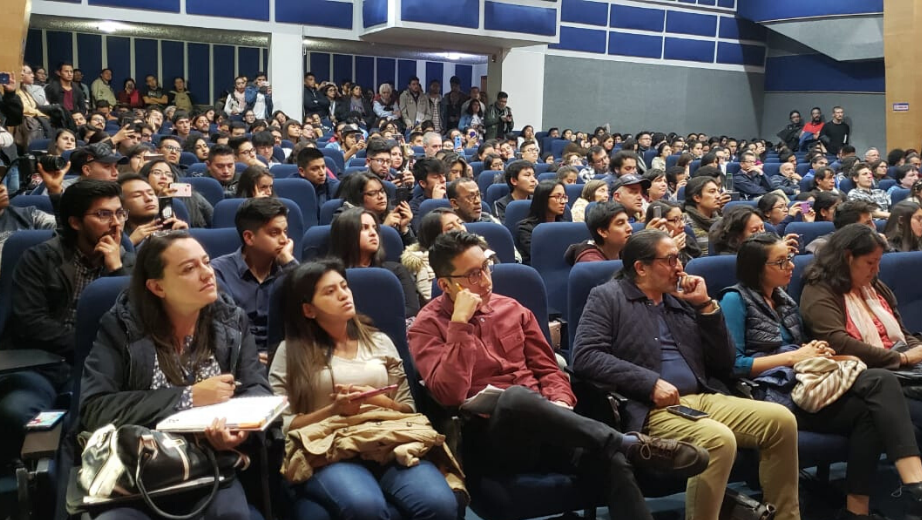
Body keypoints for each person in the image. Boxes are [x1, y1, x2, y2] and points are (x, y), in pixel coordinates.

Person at [410, 231, 709, 520]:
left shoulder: (512, 309)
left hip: (551, 424)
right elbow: (448, 394)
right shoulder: (428, 326)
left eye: (486, 267)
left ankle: (619, 446)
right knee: (514, 398)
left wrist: (560, 401)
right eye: (472, 275)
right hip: (492, 439)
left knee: (610, 460)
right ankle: (625, 441)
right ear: (446, 285)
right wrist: (459, 324)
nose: (486, 280)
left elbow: (549, 369)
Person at [572, 229, 801, 520]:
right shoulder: (608, 297)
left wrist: (705, 307)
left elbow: (725, 361)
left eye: (678, 258)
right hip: (651, 408)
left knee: (781, 421)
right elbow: (586, 356)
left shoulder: (680, 299)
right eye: (669, 260)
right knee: (718, 439)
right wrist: (649, 382)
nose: (679, 267)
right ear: (640, 268)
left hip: (704, 396)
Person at [721, 232, 922, 519]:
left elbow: (802, 349)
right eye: (780, 262)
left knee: (874, 408)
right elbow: (735, 364)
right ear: (756, 268)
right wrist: (794, 356)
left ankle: (856, 511)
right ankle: (914, 477)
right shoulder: (734, 300)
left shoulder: (786, 301)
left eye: (789, 259)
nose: (791, 266)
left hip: (805, 384)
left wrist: (817, 350)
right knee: (880, 384)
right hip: (768, 395)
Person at [79, 232, 271, 520]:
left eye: (206, 262)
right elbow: (96, 408)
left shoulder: (231, 319)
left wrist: (240, 431)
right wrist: (188, 397)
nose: (207, 273)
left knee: (230, 515)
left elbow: (258, 390)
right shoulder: (122, 327)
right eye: (189, 269)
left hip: (210, 463)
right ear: (157, 287)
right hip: (139, 467)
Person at [268, 259, 460, 520]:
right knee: (364, 507)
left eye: (344, 286)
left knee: (440, 504)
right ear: (309, 310)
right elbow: (282, 424)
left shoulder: (380, 341)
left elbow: (408, 409)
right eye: (329, 291)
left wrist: (382, 402)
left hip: (387, 438)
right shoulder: (290, 352)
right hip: (327, 449)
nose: (343, 294)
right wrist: (333, 410)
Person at [0, 180, 135, 464]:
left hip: (102, 368)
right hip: (44, 363)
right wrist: (85, 345)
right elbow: (31, 322)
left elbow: (132, 321)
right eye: (103, 215)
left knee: (101, 419)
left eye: (119, 213)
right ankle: (38, 487)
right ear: (74, 222)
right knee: (18, 410)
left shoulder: (129, 263)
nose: (115, 223)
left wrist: (116, 271)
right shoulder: (39, 258)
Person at [211, 198, 297, 357]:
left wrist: (290, 263)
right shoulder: (218, 272)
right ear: (249, 237)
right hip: (238, 361)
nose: (284, 240)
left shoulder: (288, 270)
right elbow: (224, 331)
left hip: (287, 359)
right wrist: (251, 357)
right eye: (274, 233)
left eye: (285, 231)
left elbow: (313, 306)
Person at [330, 207, 420, 319]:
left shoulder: (395, 271)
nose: (373, 233)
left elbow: (411, 310)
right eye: (364, 228)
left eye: (374, 228)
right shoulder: (332, 276)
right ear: (346, 235)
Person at [402, 208, 467, 302]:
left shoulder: (482, 252)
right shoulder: (425, 267)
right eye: (451, 228)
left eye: (460, 223)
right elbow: (433, 301)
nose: (461, 229)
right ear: (435, 238)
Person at [335, 172, 416, 247]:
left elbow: (415, 254)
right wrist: (384, 228)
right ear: (358, 197)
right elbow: (350, 250)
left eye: (382, 191)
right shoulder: (344, 216)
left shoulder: (393, 211)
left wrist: (404, 229)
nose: (381, 196)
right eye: (372, 193)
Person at [117, 173, 189, 246]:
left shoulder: (171, 231)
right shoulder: (116, 239)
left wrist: (184, 237)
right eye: (137, 195)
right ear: (120, 204)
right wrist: (130, 244)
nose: (149, 198)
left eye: (151, 193)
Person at [140, 159, 213, 228]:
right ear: (145, 177)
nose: (164, 177)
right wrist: (161, 200)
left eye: (169, 174)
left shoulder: (192, 196)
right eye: (157, 173)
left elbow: (214, 220)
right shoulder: (139, 200)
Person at [0, 183, 57, 269]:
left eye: (1, 183)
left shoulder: (29, 215)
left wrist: (57, 194)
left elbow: (65, 231)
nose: (2, 188)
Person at [516, 180, 571, 265]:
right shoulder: (526, 228)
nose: (563, 201)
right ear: (543, 199)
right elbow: (543, 256)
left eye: (564, 197)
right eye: (558, 197)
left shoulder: (565, 226)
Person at [565, 201, 632, 264]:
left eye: (628, 221)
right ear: (602, 232)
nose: (630, 228)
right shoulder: (590, 261)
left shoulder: (625, 250)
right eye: (620, 223)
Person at [646, 200, 701, 264]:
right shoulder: (647, 250)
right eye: (675, 220)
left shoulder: (686, 238)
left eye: (682, 218)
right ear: (659, 223)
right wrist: (672, 250)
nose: (683, 225)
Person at [683, 176, 726, 255]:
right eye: (712, 192)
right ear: (697, 197)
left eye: (718, 191)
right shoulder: (683, 222)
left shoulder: (722, 221)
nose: (718, 196)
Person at [409, 158, 447, 229]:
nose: (443, 180)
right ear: (423, 183)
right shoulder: (415, 206)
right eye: (436, 177)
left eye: (443, 175)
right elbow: (422, 233)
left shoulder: (453, 196)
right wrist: (435, 203)